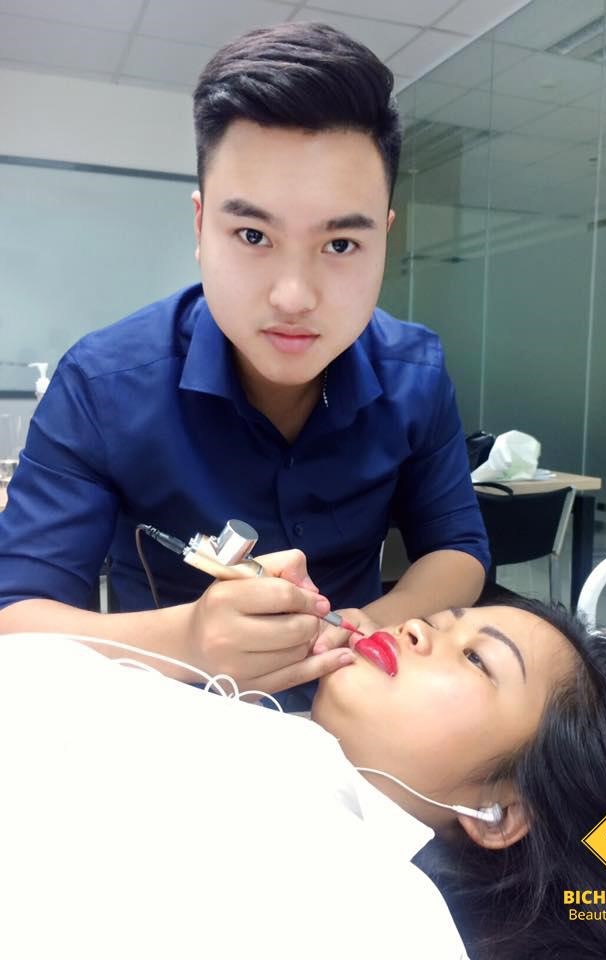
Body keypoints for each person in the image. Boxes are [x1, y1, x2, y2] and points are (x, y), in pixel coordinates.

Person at [0, 22, 489, 709]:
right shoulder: (102, 385)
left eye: (341, 244)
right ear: (201, 227)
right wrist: (187, 640)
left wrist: (367, 624)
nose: (294, 296)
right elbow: (16, 619)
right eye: (253, 235)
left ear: (385, 237)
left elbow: (458, 549)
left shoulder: (416, 373)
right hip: (165, 720)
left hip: (356, 720)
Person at [0, 592, 606, 959]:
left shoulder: (373, 911)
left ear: (500, 812)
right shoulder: (263, 733)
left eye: (477, 659)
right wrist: (183, 638)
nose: (413, 629)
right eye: (437, 621)